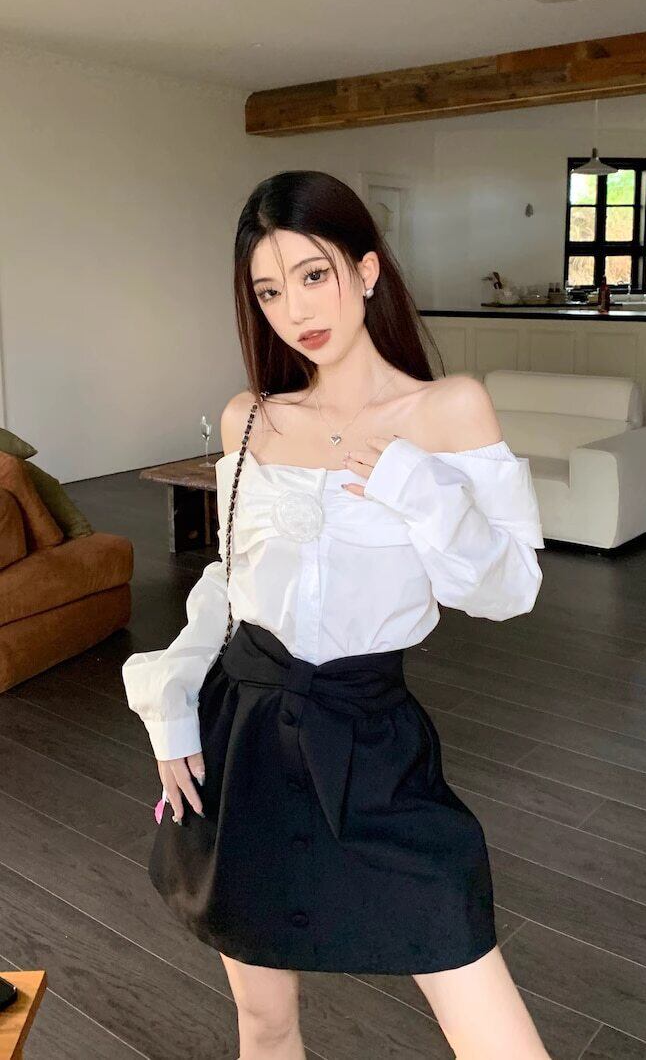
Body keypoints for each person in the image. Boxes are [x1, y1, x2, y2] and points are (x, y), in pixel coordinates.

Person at [121, 170, 552, 1060]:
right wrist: (170, 704)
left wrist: (413, 483)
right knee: (264, 1022)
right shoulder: (250, 419)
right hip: (242, 735)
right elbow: (229, 584)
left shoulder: (448, 409)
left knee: (492, 1028)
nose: (295, 311)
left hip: (371, 738)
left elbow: (511, 589)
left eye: (313, 275)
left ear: (366, 270)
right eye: (269, 292)